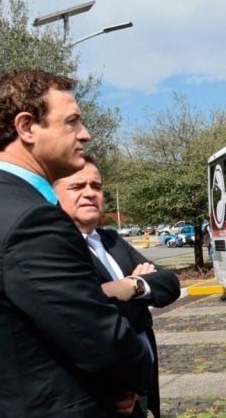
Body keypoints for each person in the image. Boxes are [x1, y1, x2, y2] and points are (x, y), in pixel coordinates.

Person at [0, 69, 152, 417]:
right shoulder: (32, 220)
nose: (84, 135)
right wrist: (132, 380)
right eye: (72, 122)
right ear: (27, 127)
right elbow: (98, 338)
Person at [54, 155, 181, 418]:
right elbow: (85, 318)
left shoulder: (111, 240)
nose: (90, 193)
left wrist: (131, 285)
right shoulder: (57, 249)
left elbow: (169, 283)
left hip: (143, 384)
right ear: (53, 195)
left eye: (96, 187)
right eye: (78, 187)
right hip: (108, 394)